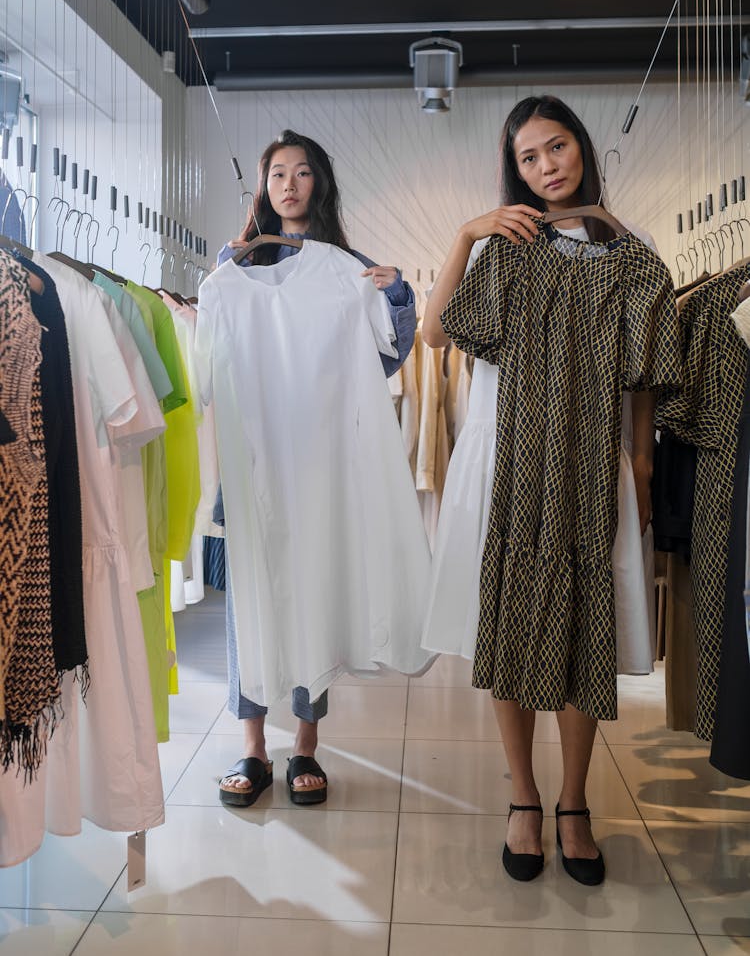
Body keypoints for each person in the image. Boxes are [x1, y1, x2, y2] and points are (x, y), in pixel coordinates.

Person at [422, 95, 677, 886]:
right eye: (529, 158)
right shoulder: (505, 248)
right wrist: (468, 231)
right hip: (504, 461)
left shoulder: (630, 256)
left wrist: (638, 464)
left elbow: (642, 381)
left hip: (591, 463)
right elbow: (434, 332)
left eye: (556, 147)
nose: (546, 166)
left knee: (579, 631)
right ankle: (523, 799)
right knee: (512, 626)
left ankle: (575, 801)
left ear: (581, 147)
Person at [215, 129, 417, 806]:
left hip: (321, 456)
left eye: (303, 173)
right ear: (264, 186)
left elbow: (386, 359)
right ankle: (250, 748)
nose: (290, 184)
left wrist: (395, 297)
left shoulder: (345, 268)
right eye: (278, 173)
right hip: (252, 453)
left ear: (318, 185)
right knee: (253, 593)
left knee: (312, 592)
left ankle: (304, 744)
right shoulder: (231, 268)